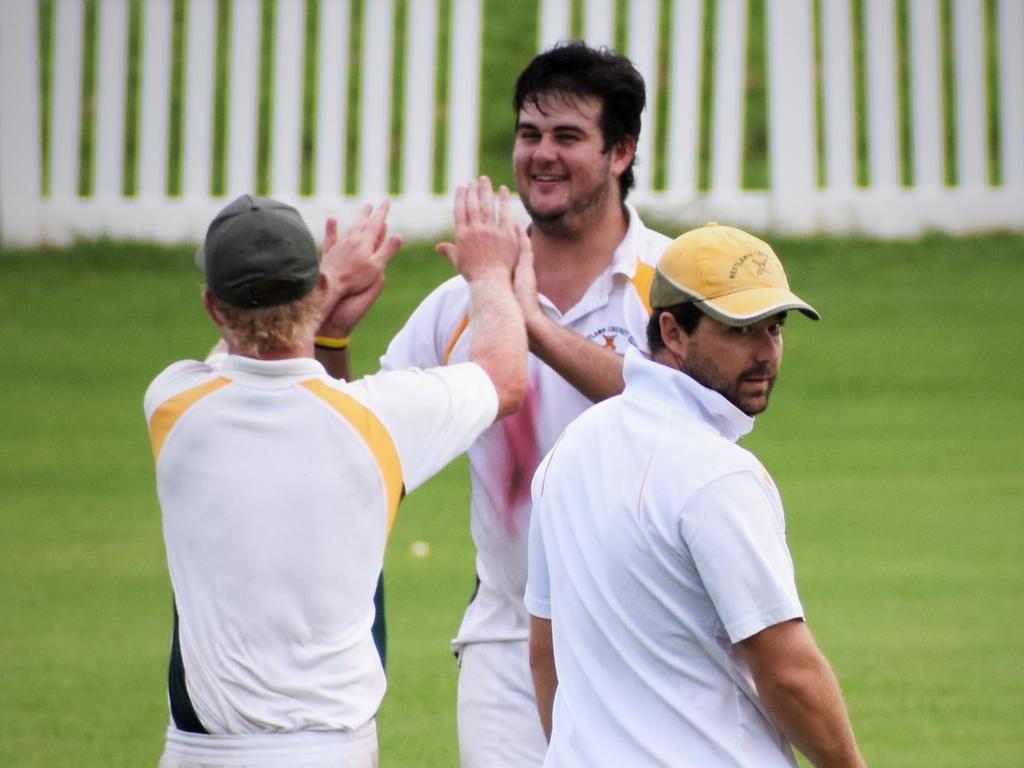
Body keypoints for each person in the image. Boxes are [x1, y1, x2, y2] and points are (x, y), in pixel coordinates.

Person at [144, 182, 528, 768]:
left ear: (212, 306)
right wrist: (490, 275)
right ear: (315, 290)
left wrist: (328, 289)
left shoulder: (172, 404)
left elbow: (245, 351)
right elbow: (504, 378)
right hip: (332, 750)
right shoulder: (381, 419)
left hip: (200, 752)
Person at [374, 41, 673, 766]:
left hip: (650, 634)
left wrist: (530, 327)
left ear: (621, 152)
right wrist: (329, 332)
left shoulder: (671, 281)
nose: (541, 154)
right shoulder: (462, 301)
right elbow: (363, 438)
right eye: (530, 134)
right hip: (507, 639)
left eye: (569, 136)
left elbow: (692, 410)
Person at [525, 223, 868, 768]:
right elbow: (788, 672)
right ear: (674, 331)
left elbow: (545, 653)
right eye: (740, 331)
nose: (765, 353)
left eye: (774, 328)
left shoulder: (570, 448)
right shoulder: (718, 476)